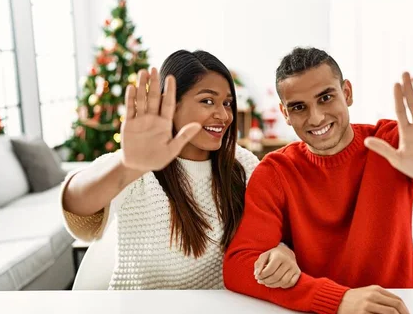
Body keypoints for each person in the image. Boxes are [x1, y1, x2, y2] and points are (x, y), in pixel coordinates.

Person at [223, 47, 413, 314]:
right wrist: (337, 301)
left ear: (347, 93)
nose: (315, 118)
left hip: (404, 311)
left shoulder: (388, 142)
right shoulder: (276, 171)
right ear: (285, 114)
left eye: (325, 98)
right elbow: (238, 266)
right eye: (298, 107)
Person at [61, 50, 300, 290]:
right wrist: (127, 165)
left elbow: (274, 231)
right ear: (171, 105)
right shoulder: (137, 166)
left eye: (227, 103)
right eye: (207, 101)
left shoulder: (242, 164)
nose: (223, 115)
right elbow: (77, 205)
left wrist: (282, 250)